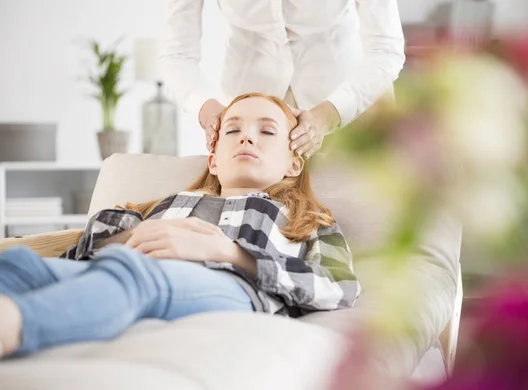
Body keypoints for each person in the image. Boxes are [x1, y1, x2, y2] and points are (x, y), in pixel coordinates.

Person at [0, 93, 360, 358]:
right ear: (214, 160)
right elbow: (82, 250)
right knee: (19, 264)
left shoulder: (302, 219)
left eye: (267, 132)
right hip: (134, 265)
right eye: (232, 130)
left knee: (135, 274)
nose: (247, 137)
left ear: (293, 164)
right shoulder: (171, 203)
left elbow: (339, 287)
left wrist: (231, 253)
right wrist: (135, 236)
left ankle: (16, 327)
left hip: (232, 286)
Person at [159, 0, 406, 158]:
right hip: (253, 114)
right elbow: (176, 55)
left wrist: (326, 117)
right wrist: (207, 109)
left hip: (351, 101)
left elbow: (385, 51)